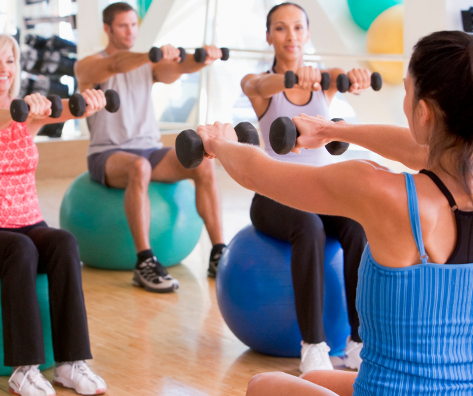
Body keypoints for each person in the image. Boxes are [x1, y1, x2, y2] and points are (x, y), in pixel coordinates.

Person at [195, 30, 473, 395]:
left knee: (263, 385)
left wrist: (221, 143)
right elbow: (421, 150)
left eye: (407, 91)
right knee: (314, 379)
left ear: (422, 112)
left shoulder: (382, 193)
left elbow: (256, 173)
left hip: (390, 390)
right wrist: (329, 129)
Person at [0, 32, 107, 396]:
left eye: (9, 60)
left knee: (64, 241)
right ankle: (25, 369)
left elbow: (65, 108)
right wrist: (15, 110)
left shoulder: (26, 115)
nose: (3, 69)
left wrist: (88, 100)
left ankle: (70, 364)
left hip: (28, 224)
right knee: (21, 250)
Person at [239, 2, 374, 372]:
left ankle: (358, 342)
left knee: (358, 226)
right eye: (281, 28)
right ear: (269, 36)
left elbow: (345, 76)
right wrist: (291, 78)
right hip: (273, 196)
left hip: (318, 192)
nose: (291, 36)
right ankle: (313, 345)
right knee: (309, 227)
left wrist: (357, 77)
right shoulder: (257, 85)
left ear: (308, 33)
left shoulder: (324, 78)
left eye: (298, 28)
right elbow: (262, 84)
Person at [74, 2, 227, 293]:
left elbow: (178, 68)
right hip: (106, 154)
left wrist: (202, 58)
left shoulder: (149, 64)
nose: (130, 31)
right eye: (123, 25)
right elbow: (115, 64)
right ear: (107, 29)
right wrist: (148, 55)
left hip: (149, 148)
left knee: (204, 161)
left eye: (134, 24)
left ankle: (218, 253)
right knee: (138, 167)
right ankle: (144, 262)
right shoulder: (88, 65)